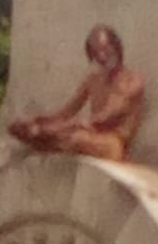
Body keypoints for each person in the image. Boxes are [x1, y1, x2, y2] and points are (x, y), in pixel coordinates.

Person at [8, 25, 144, 162]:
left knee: (76, 138)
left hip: (112, 142)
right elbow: (65, 113)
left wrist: (67, 126)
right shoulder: (93, 80)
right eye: (96, 53)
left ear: (117, 47)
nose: (102, 56)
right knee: (24, 130)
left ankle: (49, 140)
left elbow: (105, 117)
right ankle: (42, 138)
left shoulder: (132, 81)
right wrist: (38, 121)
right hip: (90, 134)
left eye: (106, 49)